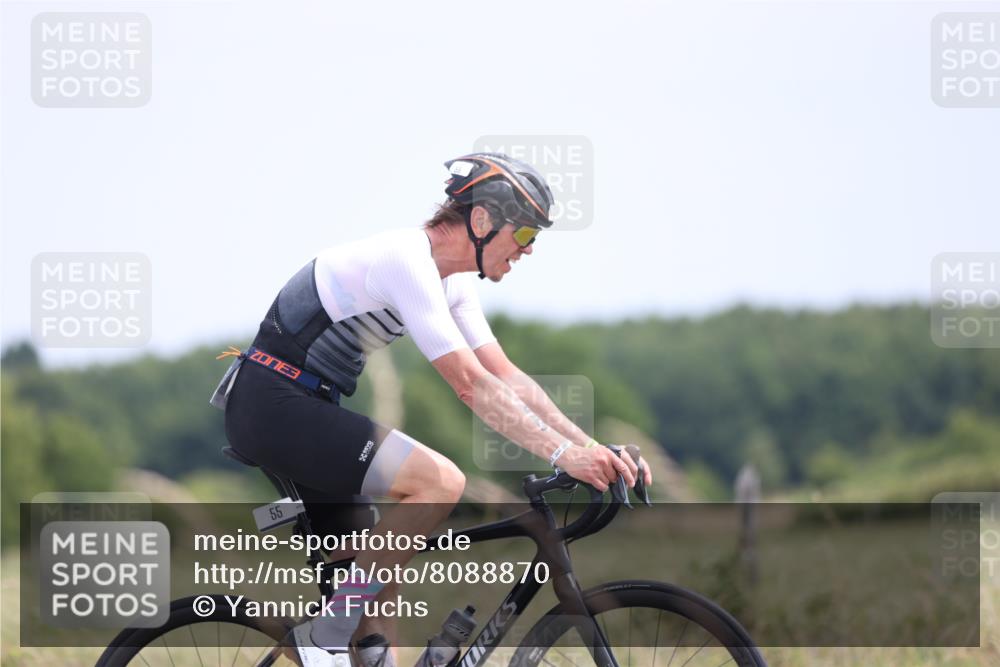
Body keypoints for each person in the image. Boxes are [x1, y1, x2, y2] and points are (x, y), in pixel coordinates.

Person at [211, 152, 653, 667]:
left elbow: (505, 377)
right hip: (272, 403)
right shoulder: (406, 259)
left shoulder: (453, 281)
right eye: (527, 235)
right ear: (483, 220)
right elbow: (470, 385)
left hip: (307, 406)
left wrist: (590, 448)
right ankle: (325, 635)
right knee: (440, 482)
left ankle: (343, 640)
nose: (528, 251)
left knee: (376, 594)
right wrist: (560, 454)